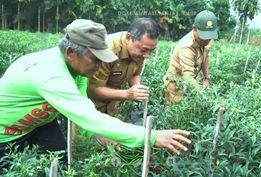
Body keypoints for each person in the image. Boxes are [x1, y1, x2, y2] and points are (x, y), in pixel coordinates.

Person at [0, 19, 191, 166]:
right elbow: (90, 117)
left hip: (39, 122)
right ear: (70, 52)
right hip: (5, 131)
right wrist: (151, 136)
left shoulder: (79, 71)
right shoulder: (51, 75)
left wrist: (112, 141)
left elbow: (86, 118)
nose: (100, 65)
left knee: (60, 162)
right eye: (95, 59)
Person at [87, 17, 157, 117]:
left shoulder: (138, 54)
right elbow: (93, 89)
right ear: (128, 38)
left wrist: (136, 88)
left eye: (152, 50)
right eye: (144, 50)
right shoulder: (107, 50)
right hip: (90, 108)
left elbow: (135, 73)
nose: (147, 55)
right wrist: (128, 94)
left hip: (111, 106)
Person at [163, 10, 218, 103]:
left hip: (193, 81)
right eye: (202, 37)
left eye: (208, 38)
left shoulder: (207, 39)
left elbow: (205, 56)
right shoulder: (186, 46)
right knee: (177, 113)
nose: (205, 41)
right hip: (177, 84)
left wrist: (206, 77)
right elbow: (188, 77)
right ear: (194, 28)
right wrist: (205, 96)